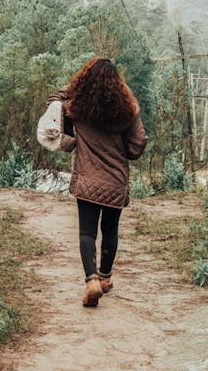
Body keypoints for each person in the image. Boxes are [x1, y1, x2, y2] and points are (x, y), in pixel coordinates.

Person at [48, 57, 148, 307]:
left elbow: (53, 102)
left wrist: (73, 88)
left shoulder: (76, 108)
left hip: (87, 180)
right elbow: (137, 148)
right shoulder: (128, 111)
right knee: (110, 230)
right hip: (115, 181)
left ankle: (91, 280)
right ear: (119, 84)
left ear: (85, 82)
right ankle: (105, 278)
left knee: (87, 232)